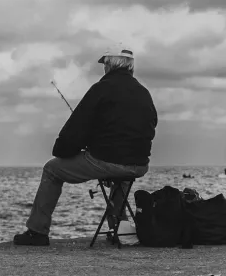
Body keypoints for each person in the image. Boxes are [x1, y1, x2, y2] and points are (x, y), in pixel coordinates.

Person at [13, 48, 157, 246]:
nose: (104, 68)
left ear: (110, 65)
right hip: (139, 165)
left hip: (107, 161)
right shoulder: (144, 93)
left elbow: (76, 128)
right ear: (130, 66)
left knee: (51, 169)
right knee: (119, 177)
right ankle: (119, 228)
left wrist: (62, 150)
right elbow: (150, 126)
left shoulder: (101, 89)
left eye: (105, 64)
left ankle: (37, 231)